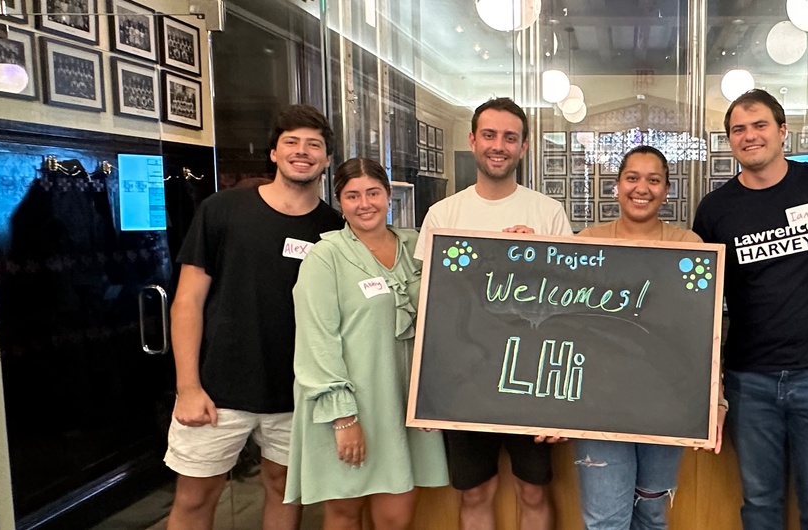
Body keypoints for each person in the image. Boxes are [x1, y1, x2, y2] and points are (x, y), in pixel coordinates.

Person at [691, 89, 808, 530]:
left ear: (782, 131)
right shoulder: (715, 209)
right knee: (759, 506)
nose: (750, 136)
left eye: (760, 125)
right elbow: (700, 297)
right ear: (730, 140)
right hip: (749, 380)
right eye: (739, 129)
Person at [164, 104, 343, 530]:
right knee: (194, 497)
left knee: (284, 489)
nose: (302, 152)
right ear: (274, 153)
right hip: (216, 389)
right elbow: (187, 300)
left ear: (327, 160)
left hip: (297, 390)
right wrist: (187, 386)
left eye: (313, 145)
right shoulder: (222, 210)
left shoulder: (335, 228)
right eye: (291, 142)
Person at [415, 97, 572, 530]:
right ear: (472, 141)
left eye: (509, 137)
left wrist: (540, 256)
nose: (498, 145)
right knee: (474, 491)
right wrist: (428, 392)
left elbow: (570, 305)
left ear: (524, 146)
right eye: (489, 135)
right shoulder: (444, 214)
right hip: (464, 377)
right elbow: (431, 305)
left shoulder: (548, 213)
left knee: (533, 490)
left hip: (533, 375)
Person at [285, 158, 449, 529]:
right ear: (339, 201)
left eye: (373, 193)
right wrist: (344, 418)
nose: (364, 204)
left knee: (396, 517)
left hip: (403, 403)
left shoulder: (417, 247)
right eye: (352, 195)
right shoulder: (324, 258)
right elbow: (317, 341)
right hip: (349, 405)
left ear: (389, 196)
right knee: (345, 514)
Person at [573, 145, 725, 530]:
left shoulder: (689, 247)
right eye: (632, 178)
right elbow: (565, 330)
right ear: (617, 185)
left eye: (653, 180)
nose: (642, 188)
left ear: (667, 189)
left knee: (652, 516)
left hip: (666, 405)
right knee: (606, 522)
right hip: (598, 406)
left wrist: (716, 402)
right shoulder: (587, 243)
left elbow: (702, 334)